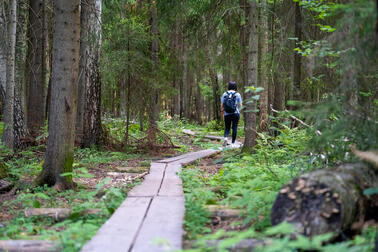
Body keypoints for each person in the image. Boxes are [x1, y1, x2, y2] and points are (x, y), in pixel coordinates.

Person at [221, 81, 242, 147]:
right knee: (234, 127)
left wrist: (222, 111)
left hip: (227, 113)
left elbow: (222, 104)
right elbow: (240, 105)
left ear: (229, 86)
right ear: (235, 86)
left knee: (227, 127)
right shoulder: (237, 94)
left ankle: (225, 138)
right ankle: (233, 143)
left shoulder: (224, 94)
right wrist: (239, 111)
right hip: (235, 113)